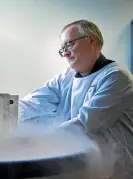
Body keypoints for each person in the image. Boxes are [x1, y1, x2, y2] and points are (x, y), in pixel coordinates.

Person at [19, 19, 133, 177]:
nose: (65, 53)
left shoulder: (116, 77)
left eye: (69, 44)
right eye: (62, 49)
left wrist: (38, 140)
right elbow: (34, 103)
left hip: (115, 169)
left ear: (91, 39)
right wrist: (4, 114)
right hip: (84, 164)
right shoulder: (65, 77)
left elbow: (87, 123)